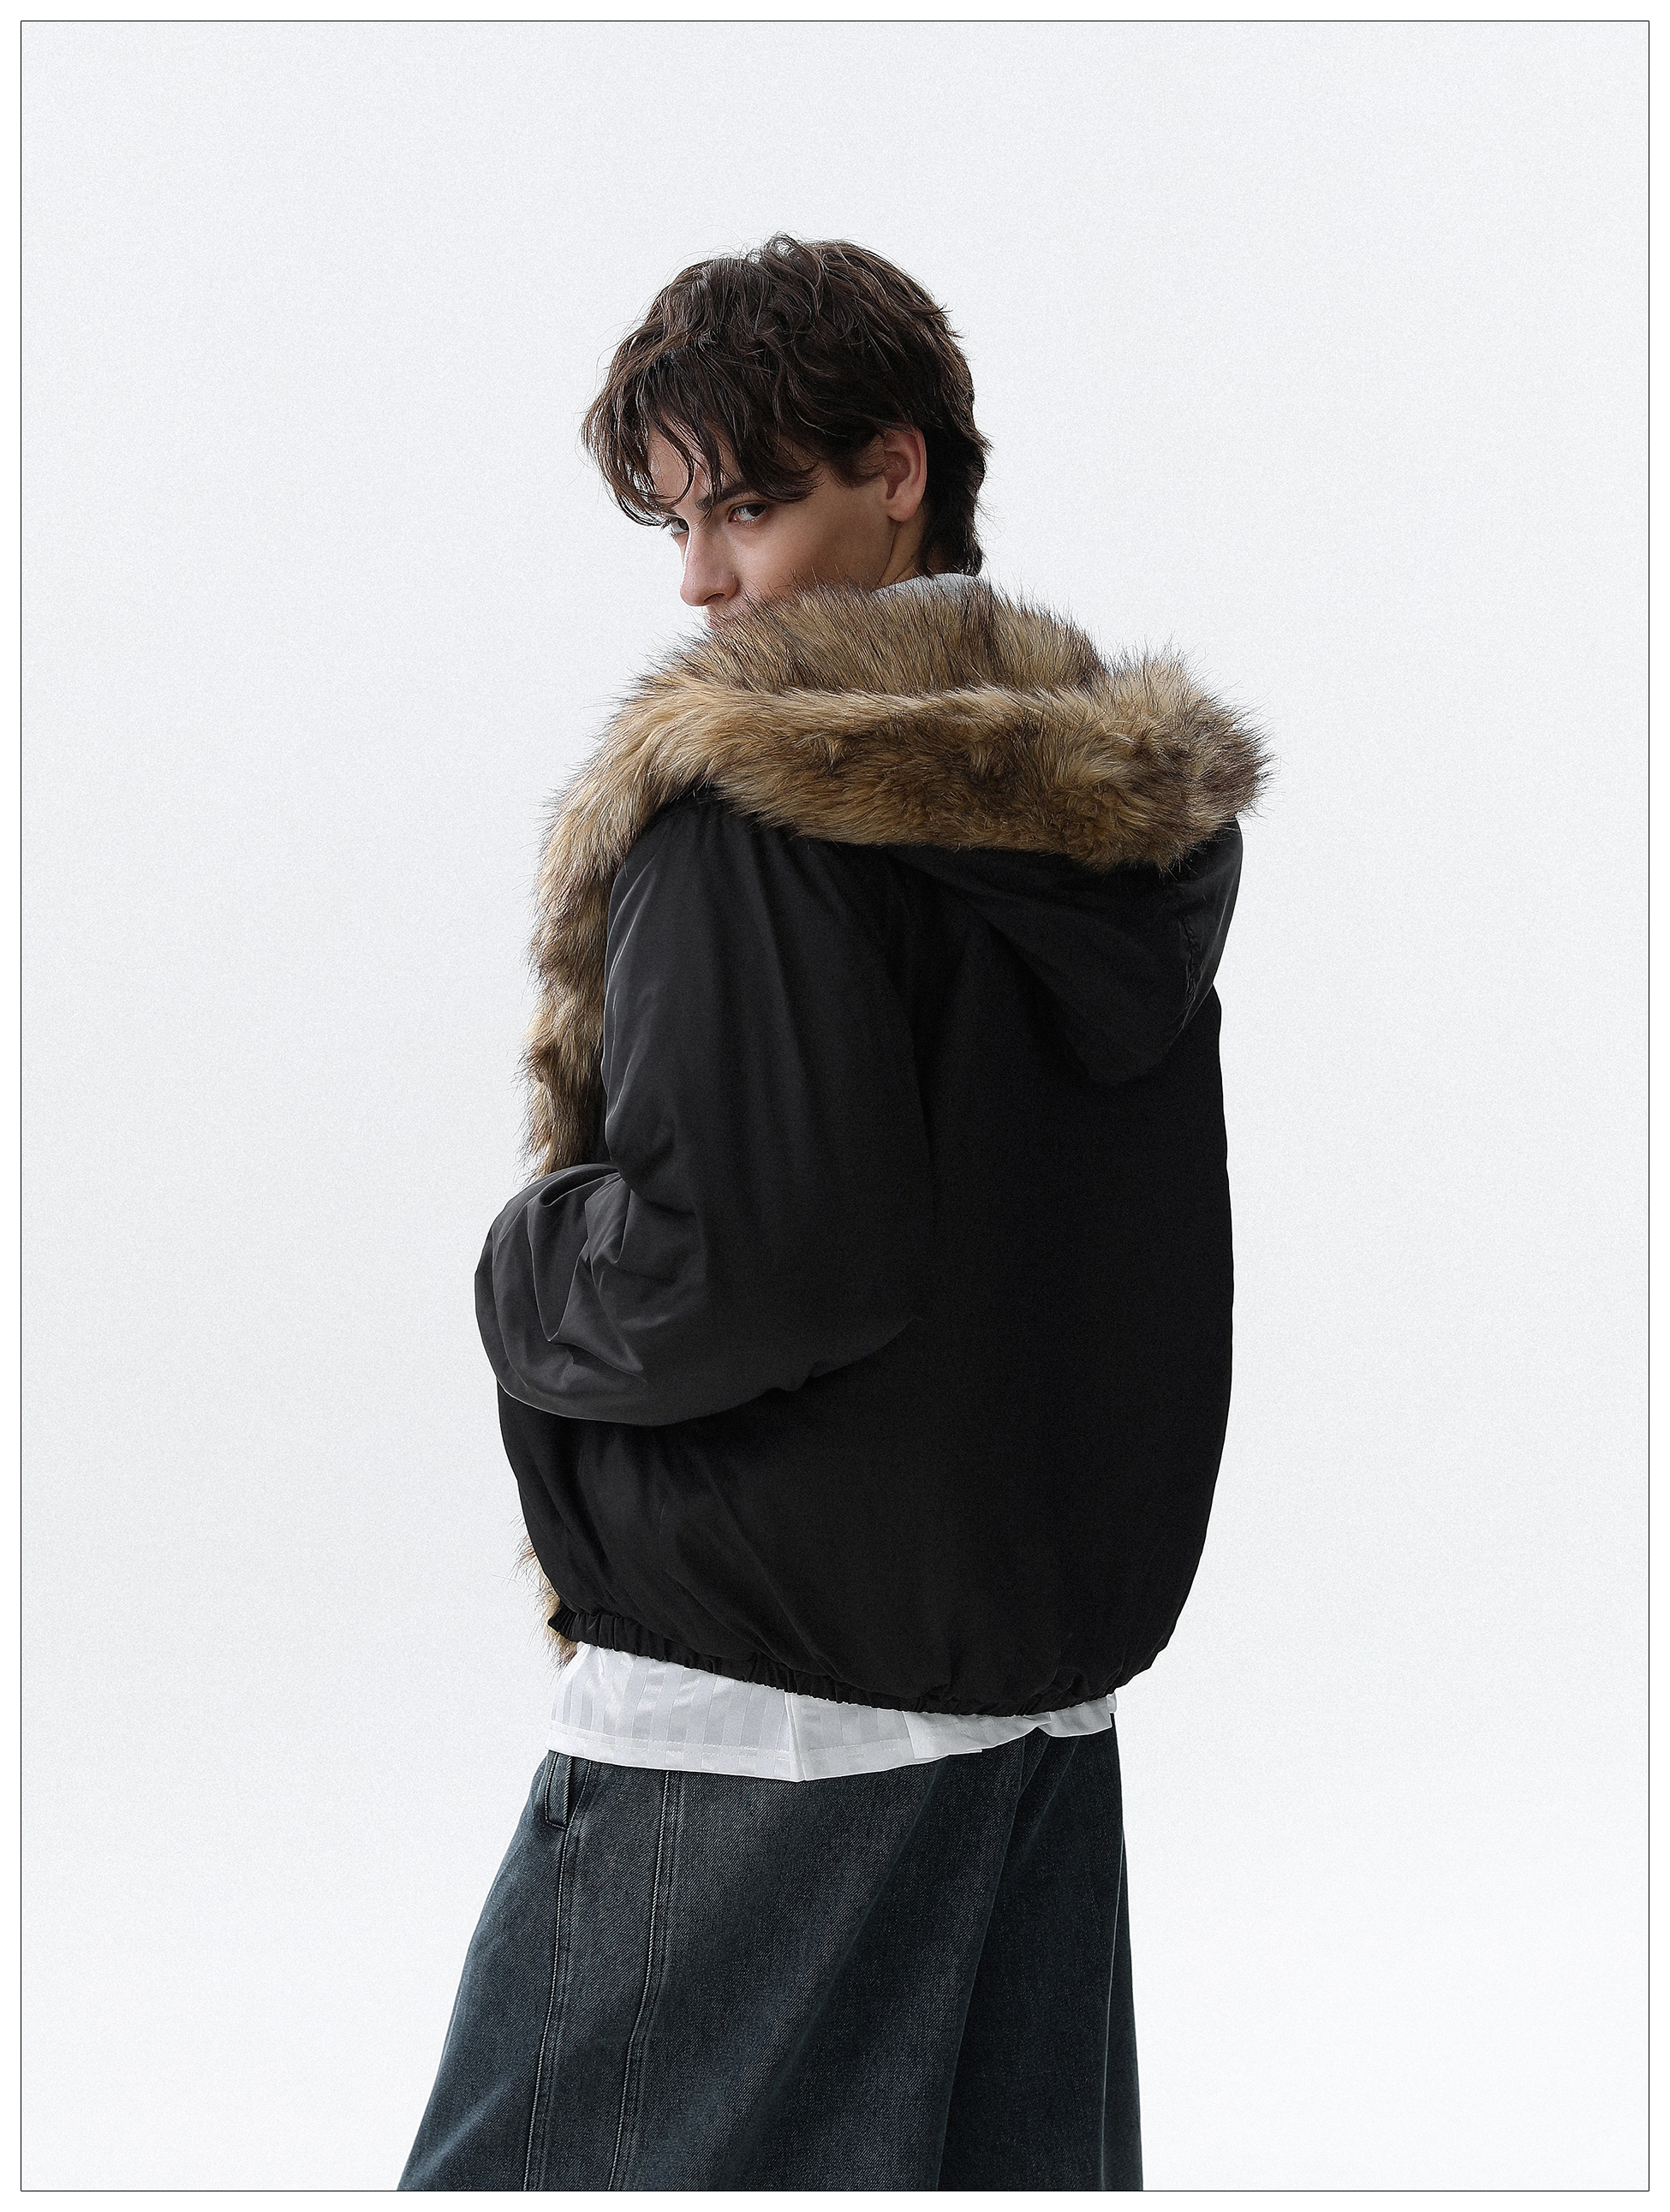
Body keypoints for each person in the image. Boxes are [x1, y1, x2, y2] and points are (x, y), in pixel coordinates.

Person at [399, 234, 1268, 2192]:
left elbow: (745, 1261)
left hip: (763, 1696)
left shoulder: (759, 814)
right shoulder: (1106, 835)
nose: (703, 584)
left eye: (748, 508)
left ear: (898, 471)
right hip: (1025, 1692)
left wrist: (524, 1264)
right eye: (679, 524)